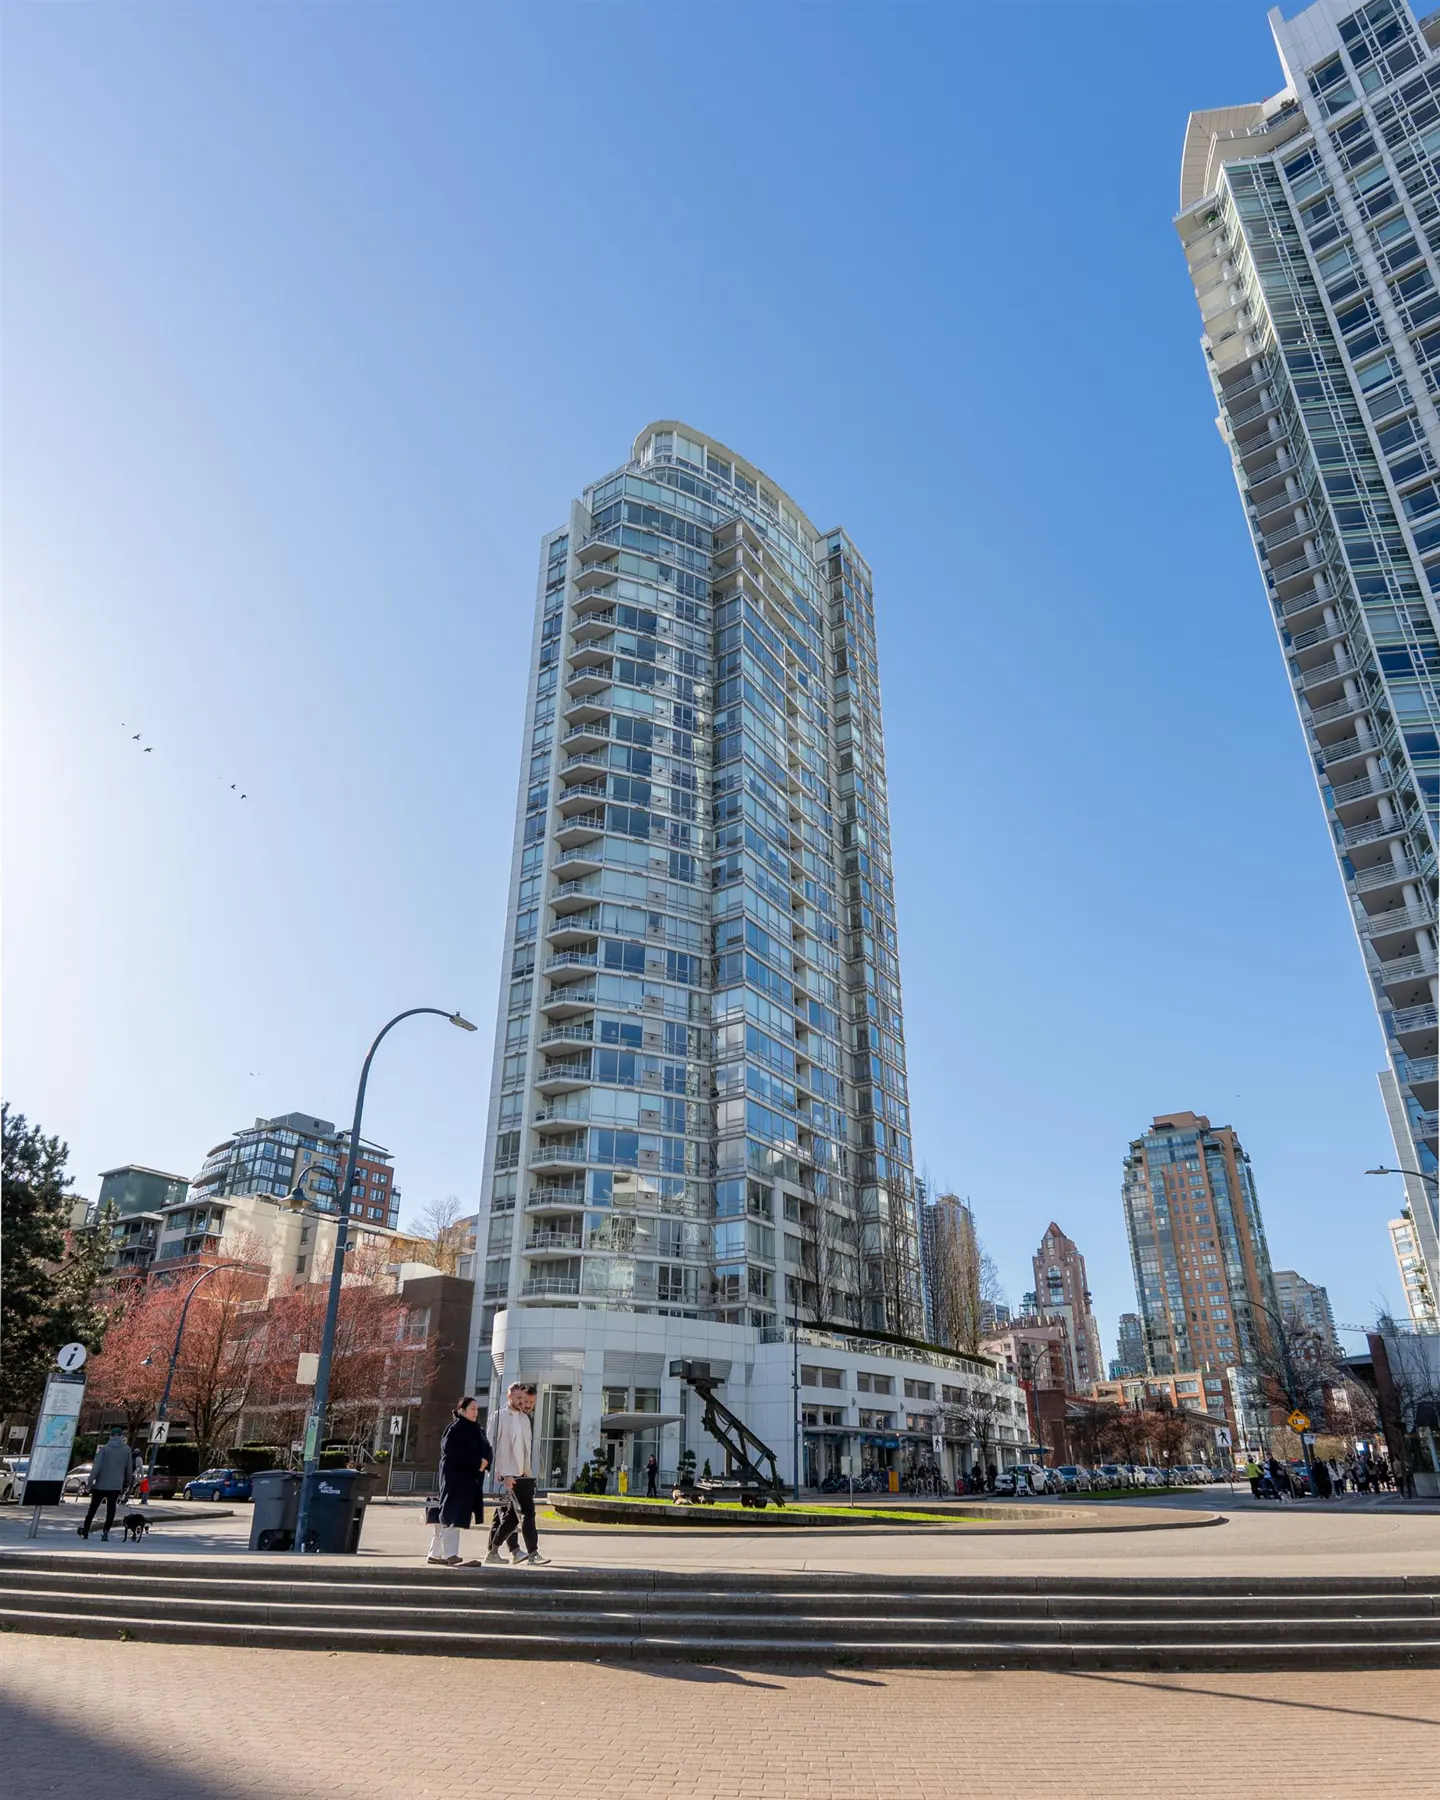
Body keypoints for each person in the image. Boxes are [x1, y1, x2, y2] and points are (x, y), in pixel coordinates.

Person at [486, 1382, 549, 1565]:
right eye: (518, 1398)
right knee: (528, 1512)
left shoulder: (524, 1419)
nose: (522, 1402)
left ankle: (493, 1552)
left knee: (512, 1517)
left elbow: (525, 1448)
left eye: (524, 1398)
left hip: (523, 1474)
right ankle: (533, 1554)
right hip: (508, 1474)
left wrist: (530, 1473)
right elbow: (491, 1446)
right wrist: (501, 1472)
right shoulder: (498, 1417)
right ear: (509, 1397)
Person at [428, 1397, 491, 1567]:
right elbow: (453, 1453)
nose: (475, 1412)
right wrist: (477, 1462)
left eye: (477, 1409)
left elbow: (486, 1448)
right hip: (454, 1478)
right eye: (472, 1408)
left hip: (467, 1479)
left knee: (448, 1513)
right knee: (451, 1513)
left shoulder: (475, 1429)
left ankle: (435, 1554)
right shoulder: (456, 1429)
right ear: (462, 1410)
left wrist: (485, 1461)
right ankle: (451, 1554)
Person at [79, 1427, 134, 1541]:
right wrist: (127, 1483)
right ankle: (105, 1532)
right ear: (121, 1436)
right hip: (115, 1486)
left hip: (100, 1485)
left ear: (111, 1436)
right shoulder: (127, 1450)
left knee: (93, 1508)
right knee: (111, 1509)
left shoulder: (104, 1449)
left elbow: (96, 1467)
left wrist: (90, 1481)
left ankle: (85, 1530)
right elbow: (129, 1469)